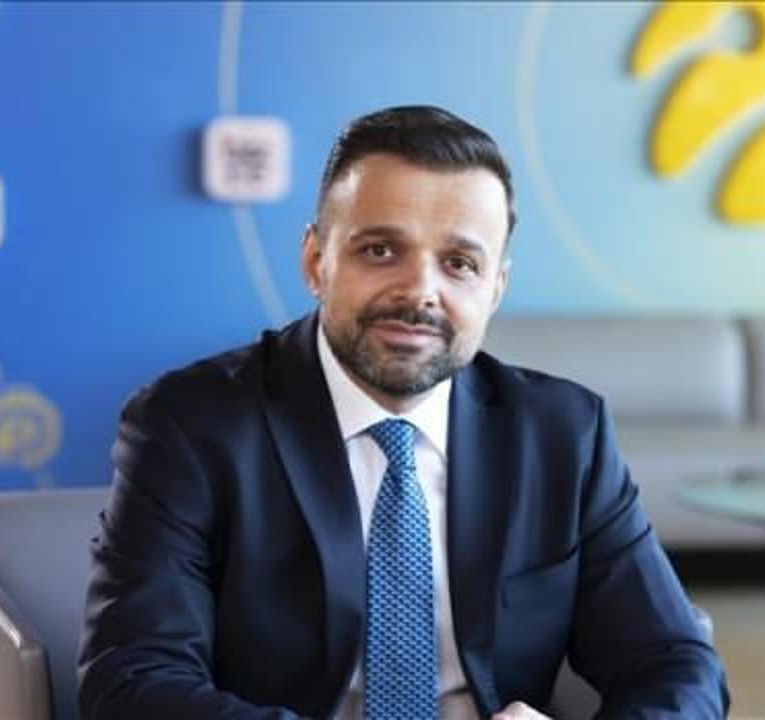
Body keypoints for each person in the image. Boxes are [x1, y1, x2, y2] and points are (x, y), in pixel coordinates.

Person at [77, 105, 728, 720]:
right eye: (381, 250)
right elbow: (131, 680)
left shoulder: (562, 434)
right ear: (316, 261)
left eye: (459, 263)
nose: (420, 292)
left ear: (495, 288)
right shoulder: (190, 425)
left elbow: (677, 664)